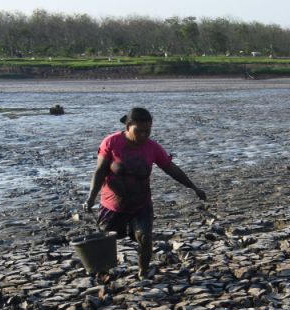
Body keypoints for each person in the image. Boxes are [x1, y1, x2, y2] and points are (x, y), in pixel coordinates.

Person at [84, 107, 207, 279]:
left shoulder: (152, 148)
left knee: (145, 237)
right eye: (138, 131)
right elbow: (99, 172)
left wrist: (193, 187)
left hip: (140, 204)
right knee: (106, 241)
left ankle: (143, 273)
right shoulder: (111, 143)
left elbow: (171, 169)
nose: (143, 135)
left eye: (147, 131)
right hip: (112, 205)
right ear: (128, 127)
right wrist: (90, 198)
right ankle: (102, 273)